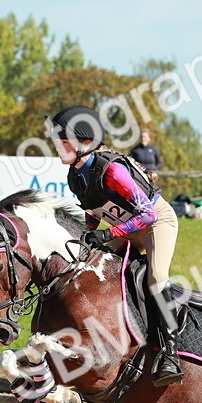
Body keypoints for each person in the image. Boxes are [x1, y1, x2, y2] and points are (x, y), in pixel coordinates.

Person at [46, 106, 183, 386]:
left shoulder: (113, 171)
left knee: (156, 277)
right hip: (125, 229)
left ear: (85, 143)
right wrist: (88, 234)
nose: (58, 147)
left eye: (63, 141)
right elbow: (93, 210)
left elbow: (149, 214)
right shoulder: (75, 176)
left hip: (156, 224)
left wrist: (108, 235)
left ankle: (170, 355)